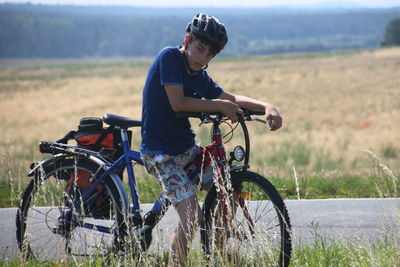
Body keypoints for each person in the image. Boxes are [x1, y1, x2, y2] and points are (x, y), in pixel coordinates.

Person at [140, 13, 282, 266]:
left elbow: (232, 99)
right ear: (187, 40)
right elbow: (178, 103)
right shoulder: (170, 57)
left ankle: (217, 254)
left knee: (228, 188)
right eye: (199, 48)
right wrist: (219, 106)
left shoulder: (199, 76)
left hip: (185, 149)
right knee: (192, 215)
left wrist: (267, 106)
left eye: (209, 54)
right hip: (160, 153)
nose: (202, 57)